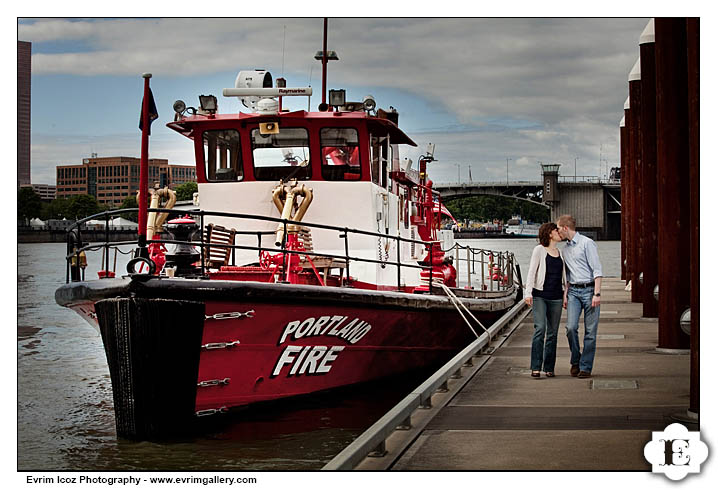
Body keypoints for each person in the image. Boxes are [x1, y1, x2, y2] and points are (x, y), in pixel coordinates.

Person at [556, 215, 603, 379]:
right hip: (574, 292)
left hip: (590, 290)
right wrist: (565, 295)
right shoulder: (565, 250)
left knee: (590, 332)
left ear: (565, 228)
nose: (557, 232)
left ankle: (585, 367)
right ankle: (576, 359)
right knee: (570, 328)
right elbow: (567, 275)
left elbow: (597, 270)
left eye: (558, 228)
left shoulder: (587, 243)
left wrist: (597, 294)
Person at [524, 222, 566, 378]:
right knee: (540, 328)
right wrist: (528, 293)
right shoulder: (539, 250)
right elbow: (531, 272)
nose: (559, 232)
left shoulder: (560, 252)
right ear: (549, 233)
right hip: (540, 295)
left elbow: (564, 278)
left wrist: (565, 294)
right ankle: (536, 366)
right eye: (556, 230)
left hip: (556, 297)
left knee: (553, 333)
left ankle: (549, 367)